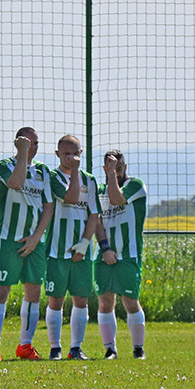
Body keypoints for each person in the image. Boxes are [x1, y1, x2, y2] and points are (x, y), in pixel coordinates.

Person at [0, 127, 54, 361]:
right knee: (1, 291)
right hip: (8, 239)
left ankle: (25, 345)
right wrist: (22, 154)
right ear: (17, 143)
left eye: (35, 142)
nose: (32, 146)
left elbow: (48, 206)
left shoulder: (44, 171)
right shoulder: (3, 165)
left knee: (33, 292)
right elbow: (16, 183)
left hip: (36, 242)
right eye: (27, 142)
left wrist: (37, 237)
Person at [44, 134, 100, 360]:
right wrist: (75, 172)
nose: (72, 158)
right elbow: (70, 197)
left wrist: (85, 244)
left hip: (81, 251)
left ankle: (76, 348)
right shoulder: (52, 177)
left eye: (75, 153)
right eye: (66, 154)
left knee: (81, 298)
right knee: (55, 299)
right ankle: (55, 347)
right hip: (57, 249)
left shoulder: (91, 180)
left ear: (81, 152)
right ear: (57, 154)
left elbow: (94, 214)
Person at [94, 150, 149, 360]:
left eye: (118, 169)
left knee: (130, 301)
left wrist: (111, 175)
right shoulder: (99, 191)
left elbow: (117, 199)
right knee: (105, 302)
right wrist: (105, 248)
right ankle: (110, 350)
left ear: (124, 168)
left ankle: (138, 349)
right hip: (104, 255)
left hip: (129, 255)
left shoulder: (135, 185)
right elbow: (96, 221)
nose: (115, 173)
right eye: (110, 169)